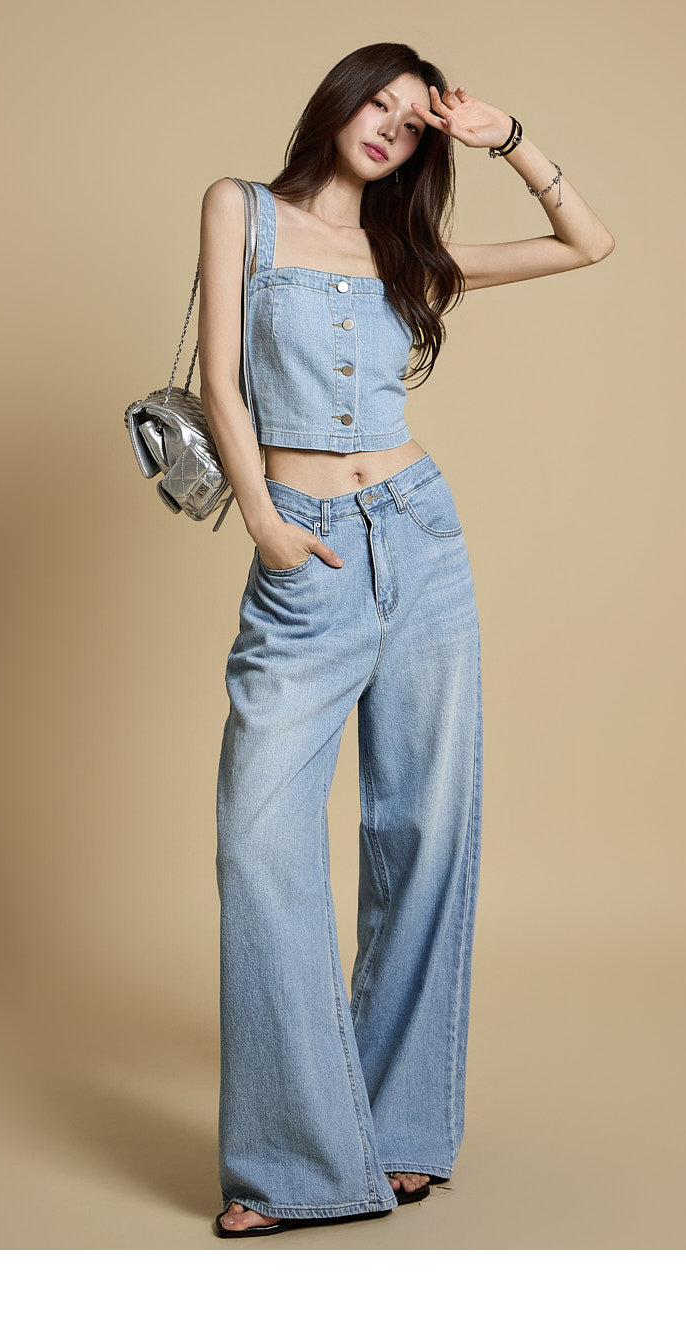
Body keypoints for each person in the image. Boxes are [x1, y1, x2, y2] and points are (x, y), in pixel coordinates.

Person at [198, 42, 614, 1238]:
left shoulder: (407, 253)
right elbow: (223, 384)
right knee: (260, 841)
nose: (388, 126)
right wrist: (266, 524)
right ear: (337, 103)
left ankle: (401, 1131)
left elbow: (587, 243)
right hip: (308, 554)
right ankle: (291, 1165)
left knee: (422, 830)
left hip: (420, 539)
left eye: (411, 121)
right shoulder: (241, 210)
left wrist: (507, 138)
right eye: (376, 103)